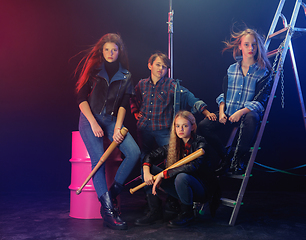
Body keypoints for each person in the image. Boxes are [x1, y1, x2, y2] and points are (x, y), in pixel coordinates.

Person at [130, 52, 216, 219]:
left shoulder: (172, 85)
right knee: (145, 165)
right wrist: (134, 111)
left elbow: (191, 98)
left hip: (164, 130)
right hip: (144, 130)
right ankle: (153, 207)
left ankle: (174, 201)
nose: (161, 69)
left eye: (164, 66)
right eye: (158, 65)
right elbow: (132, 97)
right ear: (150, 65)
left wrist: (205, 111)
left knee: (174, 162)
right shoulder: (141, 84)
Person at [75, 33, 140, 230]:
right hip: (90, 119)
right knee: (98, 162)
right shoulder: (94, 70)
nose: (111, 53)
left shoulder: (126, 75)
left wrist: (118, 127)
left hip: (112, 120)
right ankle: (109, 212)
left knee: (134, 152)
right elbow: (80, 98)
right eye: (107, 50)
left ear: (119, 52)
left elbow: (123, 104)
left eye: (114, 50)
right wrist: (93, 123)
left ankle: (109, 197)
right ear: (101, 52)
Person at [198, 28, 273, 176]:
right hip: (228, 113)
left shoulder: (263, 71)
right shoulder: (231, 69)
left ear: (258, 46)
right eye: (246, 44)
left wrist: (241, 112)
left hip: (246, 115)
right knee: (203, 126)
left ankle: (237, 160)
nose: (251, 48)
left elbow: (260, 101)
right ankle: (225, 157)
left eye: (254, 44)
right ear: (240, 46)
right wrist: (221, 112)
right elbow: (224, 95)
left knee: (252, 117)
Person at [134, 110, 220, 227]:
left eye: (185, 126)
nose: (181, 129)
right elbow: (150, 156)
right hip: (181, 188)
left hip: (201, 190)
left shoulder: (200, 142)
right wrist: (146, 173)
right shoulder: (174, 144)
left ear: (193, 126)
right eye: (177, 126)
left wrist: (163, 174)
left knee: (182, 177)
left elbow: (192, 166)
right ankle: (155, 210)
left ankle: (187, 214)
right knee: (149, 168)